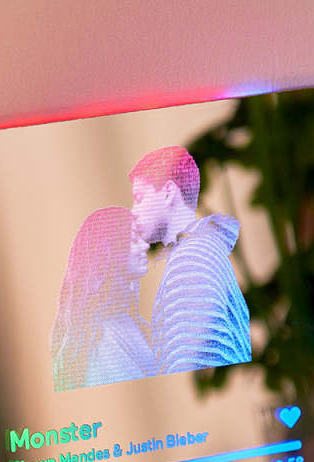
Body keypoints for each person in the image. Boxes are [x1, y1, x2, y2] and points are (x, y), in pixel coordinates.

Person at [129, 145, 251, 374]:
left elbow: (184, 362)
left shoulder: (189, 261)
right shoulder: (200, 249)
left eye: (140, 198)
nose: (134, 211)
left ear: (168, 192)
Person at [51, 206, 155, 391]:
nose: (145, 245)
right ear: (111, 251)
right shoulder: (104, 336)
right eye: (133, 239)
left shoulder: (123, 319)